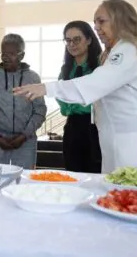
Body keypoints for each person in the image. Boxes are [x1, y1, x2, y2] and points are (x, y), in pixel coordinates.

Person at [13, 0, 137, 180]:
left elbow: (96, 84)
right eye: (95, 22)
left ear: (119, 19)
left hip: (135, 143)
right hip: (116, 141)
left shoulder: (128, 50)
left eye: (101, 21)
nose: (97, 27)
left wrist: (45, 88)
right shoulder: (113, 52)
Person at [0, 34, 47, 169]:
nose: (5, 57)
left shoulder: (33, 77)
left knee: (23, 183)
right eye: (3, 53)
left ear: (21, 55)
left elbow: (39, 110)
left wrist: (23, 136)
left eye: (11, 54)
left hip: (25, 141)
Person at [58, 21, 103, 173]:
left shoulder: (100, 66)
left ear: (89, 39)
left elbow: (96, 98)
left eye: (77, 39)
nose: (72, 44)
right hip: (72, 126)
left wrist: (76, 102)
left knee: (95, 172)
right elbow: (62, 100)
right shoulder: (66, 70)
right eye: (68, 40)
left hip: (95, 127)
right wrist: (76, 103)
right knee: (72, 173)